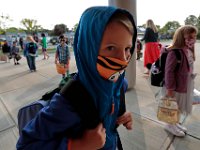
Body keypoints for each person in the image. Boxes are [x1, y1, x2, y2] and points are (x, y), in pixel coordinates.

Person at [16, 6, 137, 150]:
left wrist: (119, 117)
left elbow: (105, 123)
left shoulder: (119, 84)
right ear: (88, 49)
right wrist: (76, 146)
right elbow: (25, 145)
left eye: (127, 48)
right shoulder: (68, 102)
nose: (123, 59)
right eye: (111, 48)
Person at [162, 25, 198, 137]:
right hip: (174, 86)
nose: (192, 39)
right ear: (181, 37)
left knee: (179, 106)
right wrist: (170, 89)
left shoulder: (188, 50)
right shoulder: (175, 52)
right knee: (173, 105)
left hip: (184, 84)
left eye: (194, 36)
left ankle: (175, 123)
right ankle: (169, 125)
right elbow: (169, 71)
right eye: (189, 36)